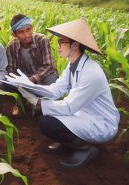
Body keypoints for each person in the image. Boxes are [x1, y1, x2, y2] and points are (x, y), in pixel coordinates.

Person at [7, 18, 120, 168]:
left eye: (61, 42)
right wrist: (28, 85)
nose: (57, 46)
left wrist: (38, 102)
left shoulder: (91, 73)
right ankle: (70, 142)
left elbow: (69, 107)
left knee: (47, 123)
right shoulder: (72, 65)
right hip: (84, 114)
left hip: (100, 122)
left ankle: (86, 148)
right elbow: (56, 89)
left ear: (74, 45)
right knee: (50, 115)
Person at [6, 14, 58, 115]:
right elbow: (11, 69)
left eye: (28, 30)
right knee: (7, 82)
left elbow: (49, 66)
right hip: (23, 80)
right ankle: (21, 102)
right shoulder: (11, 46)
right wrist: (21, 81)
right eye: (21, 32)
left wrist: (32, 80)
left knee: (53, 82)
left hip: (43, 77)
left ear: (32, 28)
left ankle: (44, 105)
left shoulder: (42, 40)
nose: (26, 35)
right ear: (14, 35)